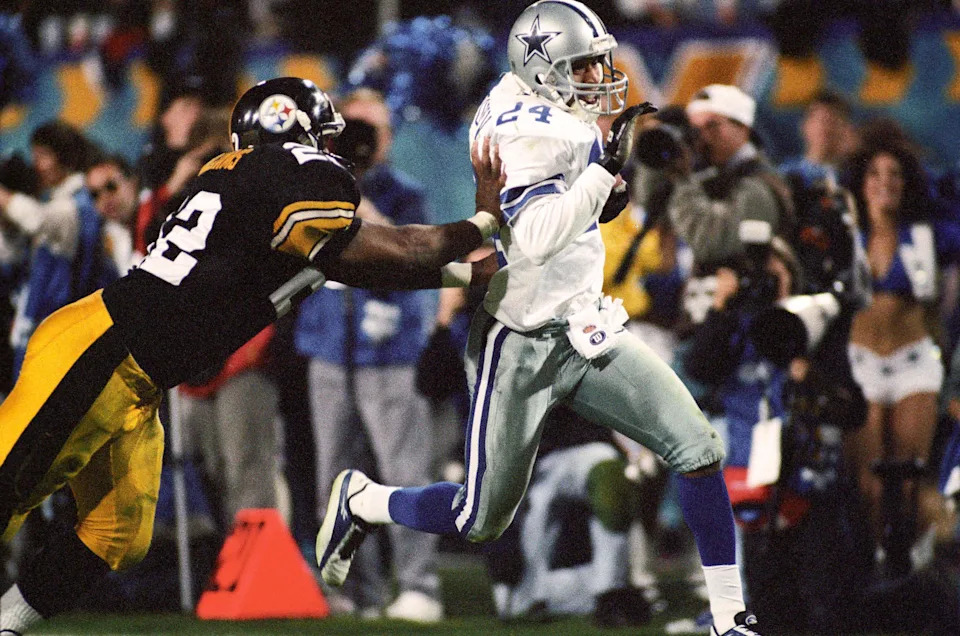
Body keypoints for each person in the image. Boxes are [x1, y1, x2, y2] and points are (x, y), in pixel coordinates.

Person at [0, 76, 506, 635]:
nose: (333, 151)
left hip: (136, 373)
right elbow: (403, 248)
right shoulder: (289, 173)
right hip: (103, 350)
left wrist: (472, 273)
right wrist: (483, 220)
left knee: (115, 535)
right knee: (8, 482)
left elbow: (359, 264)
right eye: (324, 137)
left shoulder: (243, 184)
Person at [316, 4, 761, 635]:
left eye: (598, 62)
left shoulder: (532, 101)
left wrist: (596, 190)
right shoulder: (533, 132)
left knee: (697, 448)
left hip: (584, 327)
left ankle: (728, 618)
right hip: (519, 341)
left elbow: (559, 212)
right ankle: (364, 500)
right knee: (478, 518)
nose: (599, 76)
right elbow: (537, 235)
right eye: (584, 65)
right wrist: (602, 174)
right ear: (542, 69)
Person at [294, 88, 444, 621]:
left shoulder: (405, 195)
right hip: (329, 349)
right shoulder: (311, 192)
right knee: (334, 478)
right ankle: (357, 592)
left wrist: (355, 197)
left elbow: (410, 255)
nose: (359, 142)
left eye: (370, 131)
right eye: (350, 130)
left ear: (388, 138)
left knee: (403, 473)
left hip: (389, 352)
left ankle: (420, 587)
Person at [843, 140, 960, 572]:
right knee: (869, 483)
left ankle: (911, 564)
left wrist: (939, 191)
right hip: (861, 364)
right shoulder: (846, 236)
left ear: (908, 183)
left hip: (914, 362)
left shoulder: (928, 234)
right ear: (861, 183)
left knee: (908, 474)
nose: (884, 182)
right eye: (875, 174)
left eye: (895, 174)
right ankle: (876, 563)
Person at [0, 121, 120, 379]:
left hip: (63, 335)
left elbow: (37, 220)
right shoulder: (56, 202)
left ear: (64, 157)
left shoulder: (78, 206)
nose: (36, 166)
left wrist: (4, 198)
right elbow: (14, 259)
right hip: (43, 330)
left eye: (43, 156)